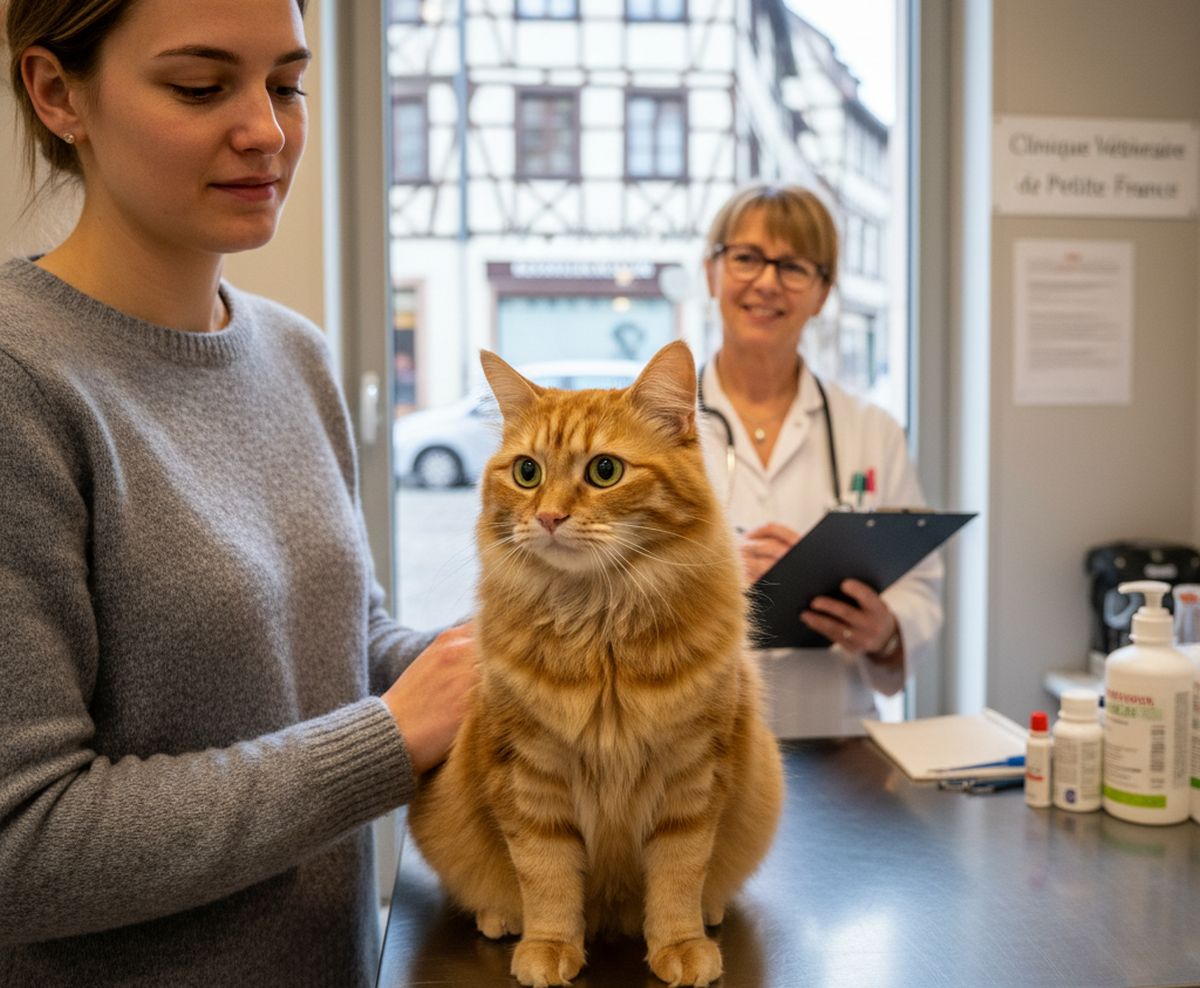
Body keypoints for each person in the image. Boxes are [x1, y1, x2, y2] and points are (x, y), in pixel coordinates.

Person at [0, 1, 477, 985]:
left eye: (288, 84)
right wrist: (389, 737)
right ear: (57, 94)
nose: (267, 129)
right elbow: (25, 841)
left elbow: (344, 638)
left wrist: (481, 661)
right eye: (200, 86)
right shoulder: (21, 380)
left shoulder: (295, 354)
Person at [698, 184, 943, 738]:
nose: (766, 282)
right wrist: (715, 574)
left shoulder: (870, 431)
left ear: (823, 292)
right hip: (690, 744)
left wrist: (884, 629)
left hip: (836, 741)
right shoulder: (657, 428)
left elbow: (920, 588)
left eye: (793, 267)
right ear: (712, 272)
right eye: (746, 258)